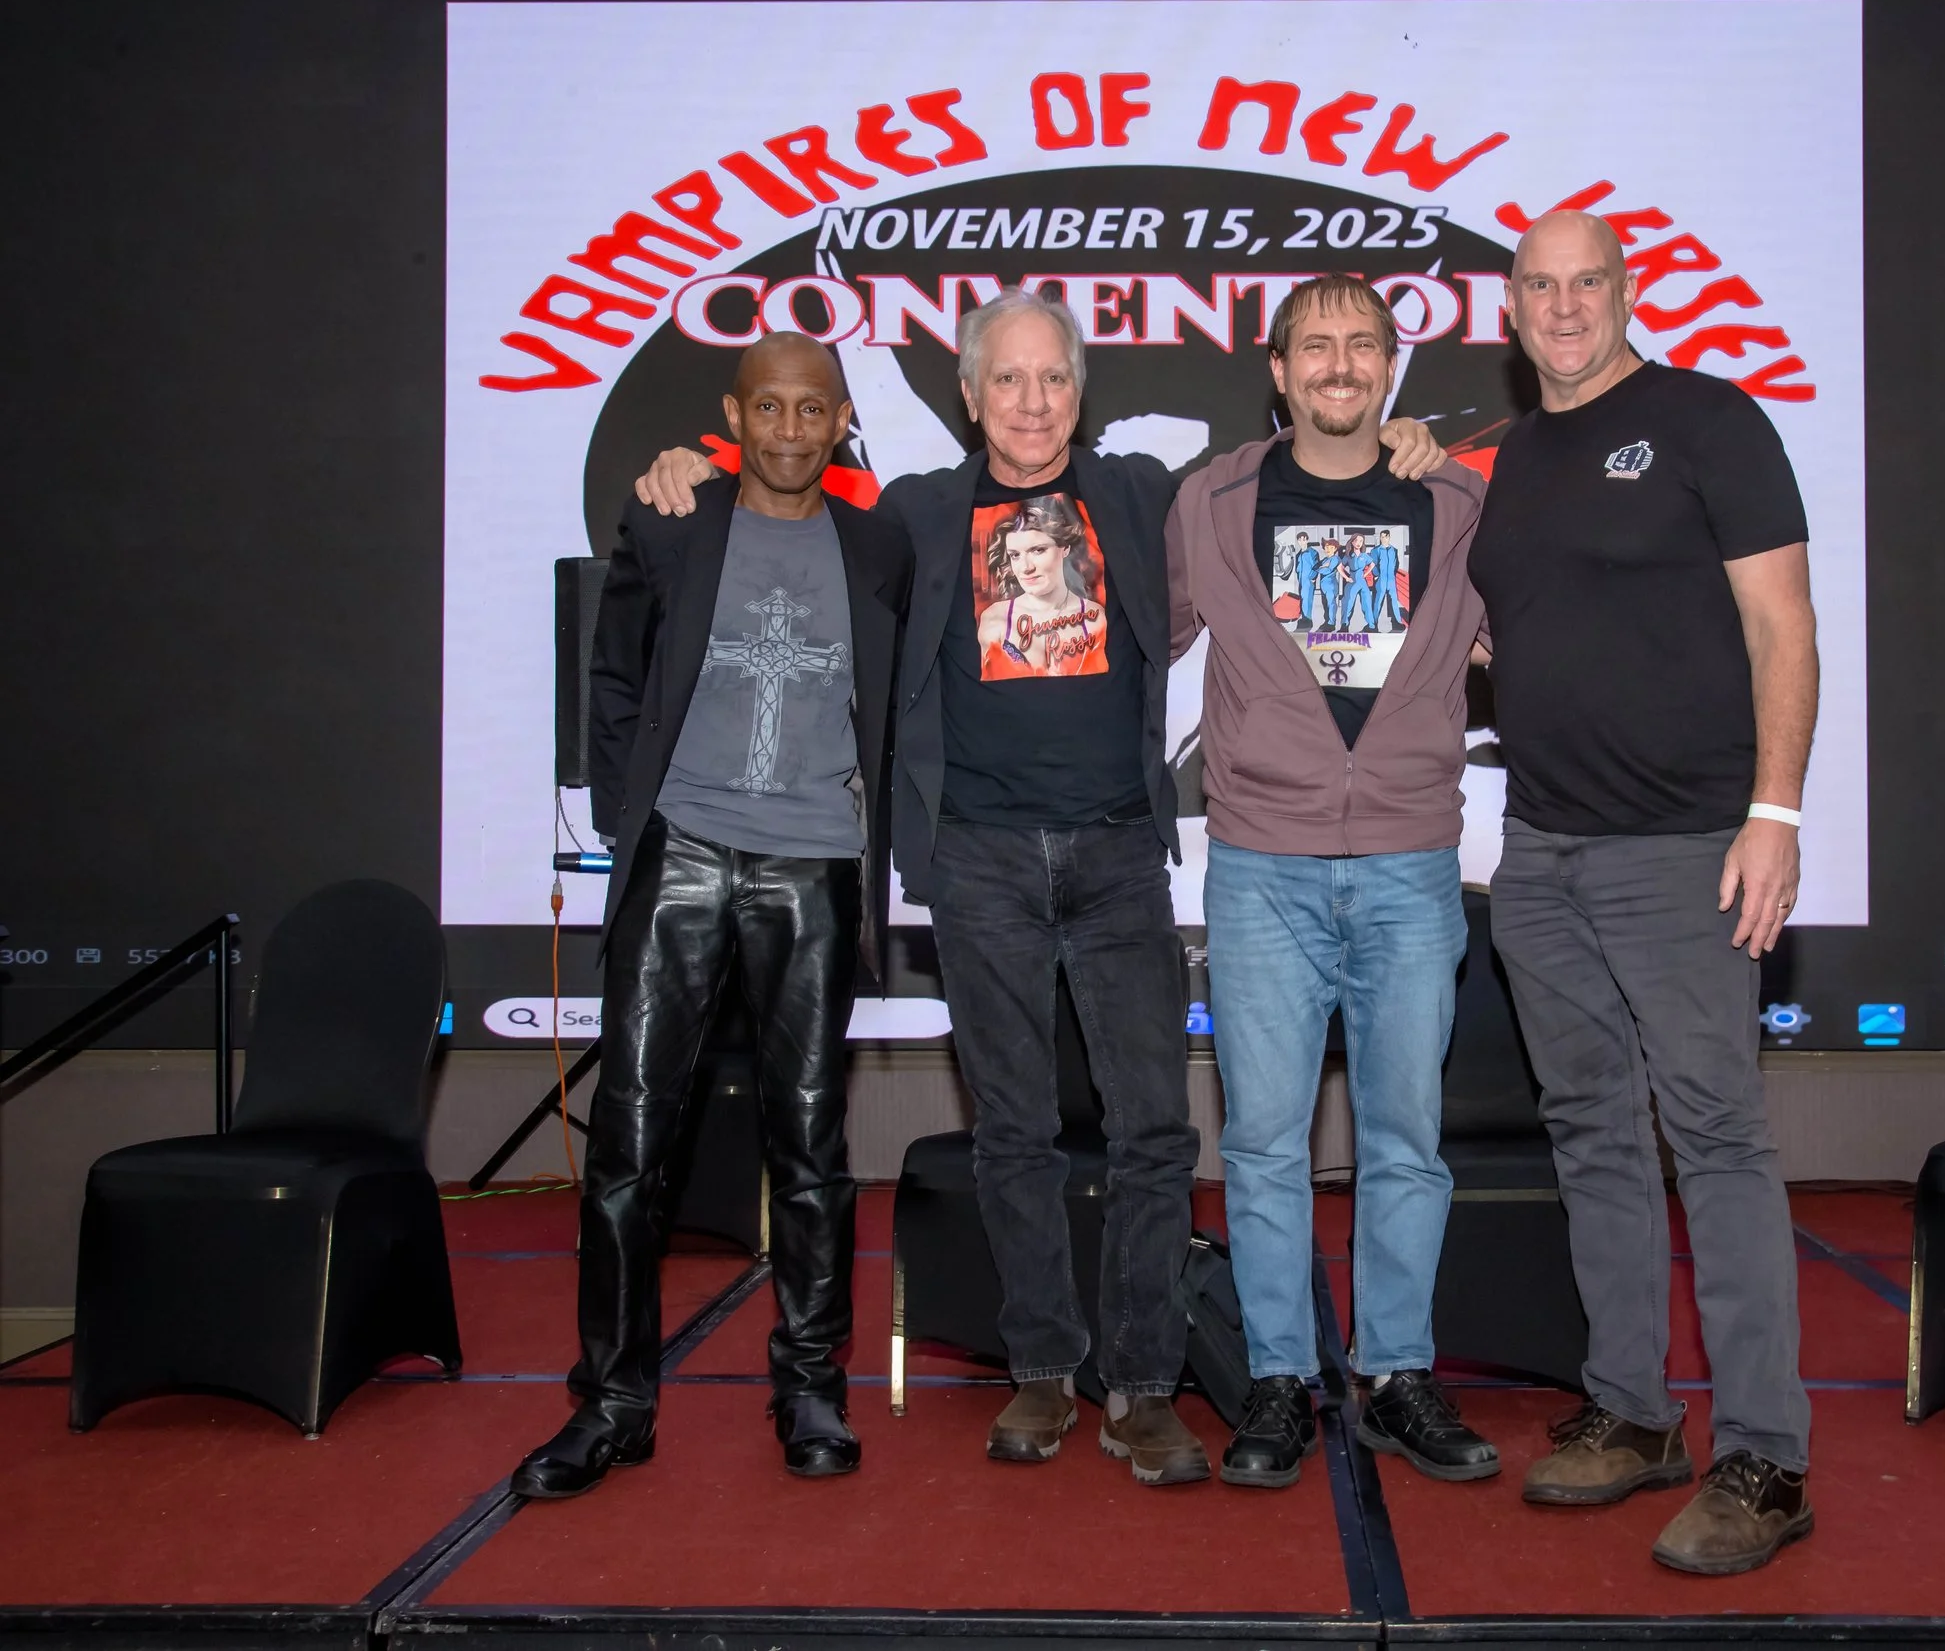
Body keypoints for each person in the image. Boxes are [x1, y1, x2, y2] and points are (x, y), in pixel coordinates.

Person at [631, 293, 1448, 1486]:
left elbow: (1296, 467)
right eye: (1004, 382)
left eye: (1050, 380)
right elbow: (782, 495)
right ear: (968, 397)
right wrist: (684, 469)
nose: (1028, 403)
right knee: (1011, 1131)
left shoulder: (1140, 496)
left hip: (1119, 854)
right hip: (978, 861)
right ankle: (1040, 1372)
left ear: (1080, 392)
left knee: (1154, 1132)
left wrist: (1410, 437)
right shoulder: (912, 515)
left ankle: (1141, 1382)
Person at [1470, 211, 1821, 1575]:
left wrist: (1774, 814)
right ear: (1511, 310)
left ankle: (1767, 1458)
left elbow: (1780, 624)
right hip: (1544, 849)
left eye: (1587, 283)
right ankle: (1631, 1412)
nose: (1564, 307)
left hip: (1685, 846)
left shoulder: (1706, 420)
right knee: (1592, 1136)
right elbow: (1522, 636)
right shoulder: (1510, 463)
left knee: (1718, 1140)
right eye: (1540, 287)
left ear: (1628, 291)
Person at [511, 331, 912, 1499]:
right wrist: (621, 809)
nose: (790, 431)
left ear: (842, 422)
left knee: (808, 1144)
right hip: (679, 851)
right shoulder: (673, 522)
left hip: (814, 865)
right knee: (630, 1143)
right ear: (733, 417)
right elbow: (618, 669)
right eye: (770, 408)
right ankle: (615, 1403)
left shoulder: (881, 545)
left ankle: (809, 1383)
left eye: (813, 411)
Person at [1168, 275, 1498, 1490]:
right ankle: (1275, 1378)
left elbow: (1535, 638)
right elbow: (1115, 632)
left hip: (1413, 864)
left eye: (1363, 343)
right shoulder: (1209, 500)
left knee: (1406, 1140)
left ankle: (1396, 1371)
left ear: (1392, 365)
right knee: (1260, 1143)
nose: (1340, 364)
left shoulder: (1457, 498)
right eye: (1317, 344)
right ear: (1278, 366)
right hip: (1261, 864)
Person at [977, 497, 1110, 678]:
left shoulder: (1094, 619)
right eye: (1015, 555)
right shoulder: (994, 620)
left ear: (1064, 548)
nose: (1026, 567)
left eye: (1038, 550)